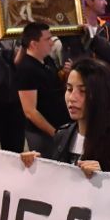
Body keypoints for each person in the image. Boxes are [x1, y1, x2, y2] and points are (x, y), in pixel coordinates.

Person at [40, 57, 110, 177]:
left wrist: (103, 179)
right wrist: (31, 167)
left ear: (101, 95)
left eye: (83, 91)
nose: (72, 98)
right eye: (69, 89)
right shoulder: (62, 136)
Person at [11, 21, 68, 152]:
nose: (52, 42)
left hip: (58, 126)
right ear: (34, 44)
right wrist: (55, 133)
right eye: (47, 39)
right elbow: (30, 111)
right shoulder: (26, 69)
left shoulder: (47, 60)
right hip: (43, 134)